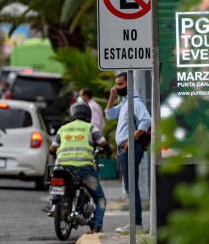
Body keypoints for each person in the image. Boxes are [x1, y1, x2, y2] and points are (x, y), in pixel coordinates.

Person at [49, 103, 112, 233]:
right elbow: (102, 142)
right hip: (84, 170)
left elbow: (52, 148)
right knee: (100, 200)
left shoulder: (63, 128)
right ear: (88, 115)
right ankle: (96, 227)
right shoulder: (90, 128)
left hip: (62, 167)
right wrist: (108, 150)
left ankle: (55, 204)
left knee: (57, 180)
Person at [105, 71, 152, 234]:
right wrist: (112, 95)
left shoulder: (135, 101)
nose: (117, 88)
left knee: (131, 186)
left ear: (129, 84)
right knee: (129, 185)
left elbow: (146, 120)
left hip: (131, 147)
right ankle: (134, 222)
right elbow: (110, 115)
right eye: (116, 84)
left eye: (121, 85)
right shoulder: (125, 102)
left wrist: (131, 140)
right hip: (124, 148)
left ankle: (136, 223)